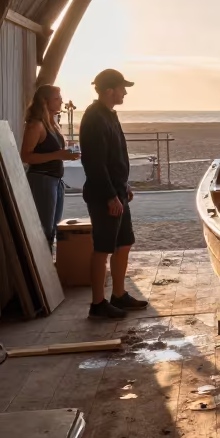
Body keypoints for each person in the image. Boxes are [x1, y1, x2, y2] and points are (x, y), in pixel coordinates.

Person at [80, 69, 148, 320]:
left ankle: (118, 295)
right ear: (109, 90)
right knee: (103, 248)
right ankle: (97, 304)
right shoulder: (94, 117)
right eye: (122, 88)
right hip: (103, 195)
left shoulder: (109, 115)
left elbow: (114, 157)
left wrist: (123, 186)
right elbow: (94, 162)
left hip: (117, 191)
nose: (125, 92)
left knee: (124, 243)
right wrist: (110, 195)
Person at [20, 84, 79, 251]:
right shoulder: (36, 125)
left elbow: (54, 150)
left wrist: (67, 150)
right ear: (45, 102)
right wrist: (58, 155)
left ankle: (47, 265)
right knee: (44, 229)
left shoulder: (52, 123)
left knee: (53, 228)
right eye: (57, 98)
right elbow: (25, 156)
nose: (61, 101)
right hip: (42, 180)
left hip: (56, 181)